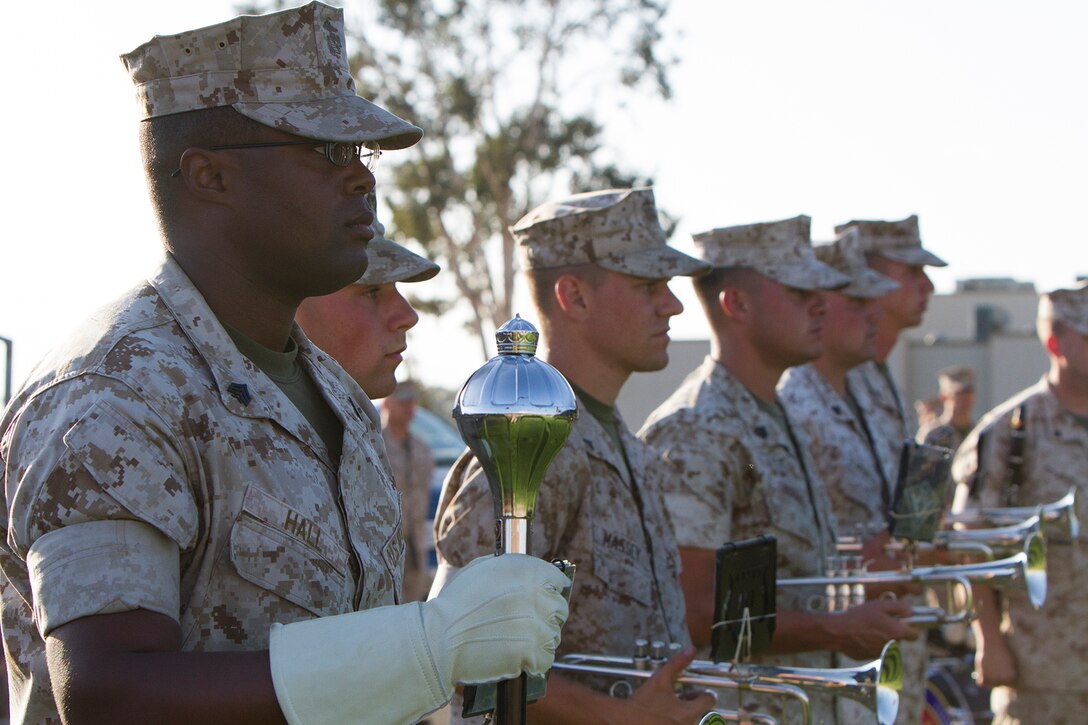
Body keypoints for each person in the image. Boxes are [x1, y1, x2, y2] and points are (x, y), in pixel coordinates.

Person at [0, 5, 567, 724]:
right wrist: (427, 644)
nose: (362, 180)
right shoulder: (113, 392)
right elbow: (110, 691)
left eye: (366, 156)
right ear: (210, 176)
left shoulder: (335, 394)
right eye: (328, 151)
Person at [432, 188, 717, 724]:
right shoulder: (534, 445)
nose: (673, 304)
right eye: (648, 285)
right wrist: (618, 717)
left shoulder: (626, 449)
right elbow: (456, 648)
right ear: (575, 297)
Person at [640, 216, 918, 724]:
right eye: (797, 289)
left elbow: (787, 575)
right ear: (736, 304)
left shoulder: (773, 411)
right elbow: (691, 610)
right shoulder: (698, 428)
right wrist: (836, 628)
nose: (820, 303)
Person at [776, 232, 930, 725]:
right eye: (857, 300)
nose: (873, 313)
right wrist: (859, 559)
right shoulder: (793, 404)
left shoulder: (870, 392)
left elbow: (902, 514)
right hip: (831, 653)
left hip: (883, 642)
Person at [950, 281, 1088, 725]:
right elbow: (970, 541)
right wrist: (987, 638)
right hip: (1041, 670)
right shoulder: (1011, 431)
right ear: (1055, 342)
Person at [837, 215, 948, 486]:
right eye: (912, 271)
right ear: (867, 278)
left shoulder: (877, 374)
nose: (928, 286)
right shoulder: (835, 378)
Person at [381, 381, 438, 602]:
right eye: (403, 403)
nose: (408, 409)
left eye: (411, 403)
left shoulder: (421, 448)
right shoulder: (374, 443)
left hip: (415, 545)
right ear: (387, 404)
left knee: (414, 605)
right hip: (384, 545)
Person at [919, 365, 977, 453]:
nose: (965, 398)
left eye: (969, 392)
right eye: (959, 393)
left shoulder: (977, 432)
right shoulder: (934, 434)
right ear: (944, 396)